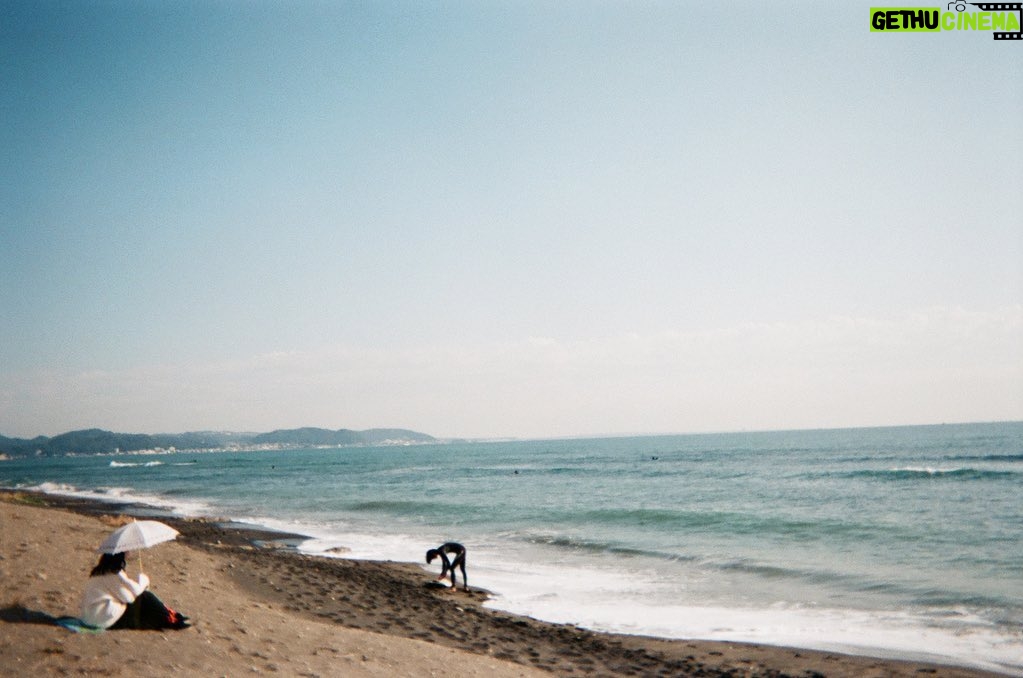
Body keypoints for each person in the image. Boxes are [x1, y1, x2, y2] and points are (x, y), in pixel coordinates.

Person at [80, 552, 190, 630]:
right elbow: (128, 598)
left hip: (92, 616)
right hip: (102, 619)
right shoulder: (112, 575)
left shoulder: (99, 573)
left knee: (144, 603)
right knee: (146, 597)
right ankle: (171, 618)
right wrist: (142, 582)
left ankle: (170, 615)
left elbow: (128, 589)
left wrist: (134, 583)